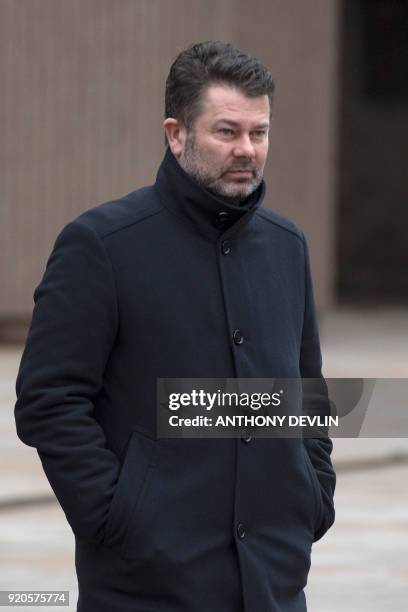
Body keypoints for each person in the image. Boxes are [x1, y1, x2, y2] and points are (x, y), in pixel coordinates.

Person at [14, 41, 336, 612]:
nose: (247, 150)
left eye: (258, 133)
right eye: (227, 131)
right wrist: (116, 517)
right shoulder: (102, 245)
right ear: (176, 133)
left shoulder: (287, 247)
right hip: (146, 586)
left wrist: (313, 495)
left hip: (274, 581)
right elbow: (48, 398)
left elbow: (306, 390)